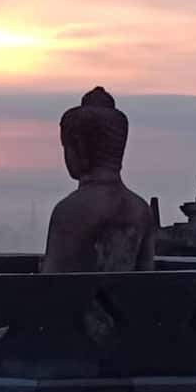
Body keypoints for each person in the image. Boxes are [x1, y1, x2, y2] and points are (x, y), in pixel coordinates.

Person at [41, 87, 155, 273]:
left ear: (80, 147)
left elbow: (53, 281)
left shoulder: (70, 210)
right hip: (132, 301)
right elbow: (147, 275)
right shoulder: (140, 209)